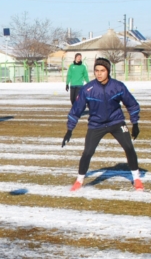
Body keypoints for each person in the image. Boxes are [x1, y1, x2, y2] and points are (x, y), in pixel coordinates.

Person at [61, 57, 142, 192]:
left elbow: (132, 104)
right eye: (96, 70)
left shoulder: (118, 86)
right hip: (96, 125)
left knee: (129, 147)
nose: (99, 73)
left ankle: (137, 179)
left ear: (108, 71)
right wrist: (69, 130)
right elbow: (76, 110)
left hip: (116, 122)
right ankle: (79, 181)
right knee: (87, 152)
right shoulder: (87, 89)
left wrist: (135, 123)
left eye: (102, 71)